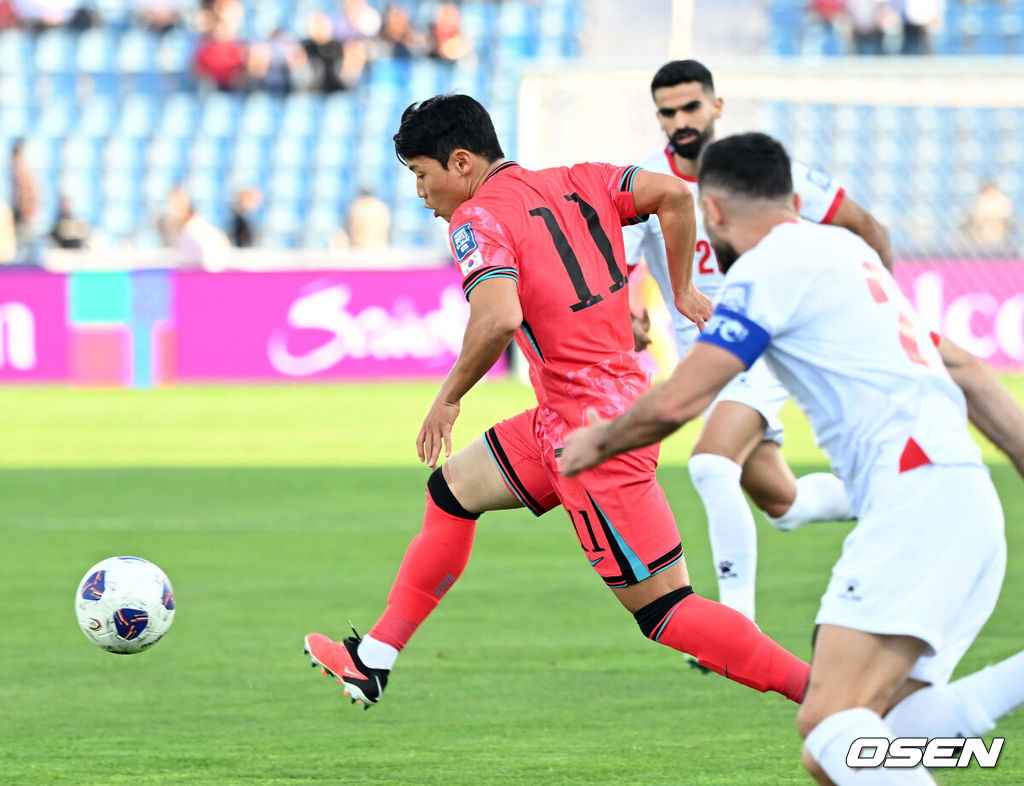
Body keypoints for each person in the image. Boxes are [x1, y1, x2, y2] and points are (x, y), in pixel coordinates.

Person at [303, 94, 812, 710]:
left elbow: (497, 318)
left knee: (667, 611)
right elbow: (676, 196)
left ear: (460, 163)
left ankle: (824, 694)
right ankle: (373, 660)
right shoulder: (580, 180)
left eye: (420, 174)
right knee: (451, 491)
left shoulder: (478, 219)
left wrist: (448, 397)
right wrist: (679, 289)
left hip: (590, 435)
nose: (420, 194)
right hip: (578, 412)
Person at [561, 132, 1024, 786]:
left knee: (830, 727)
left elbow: (681, 399)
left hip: (913, 504)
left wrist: (599, 440)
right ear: (794, 197)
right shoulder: (847, 254)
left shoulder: (764, 270)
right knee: (872, 736)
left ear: (713, 213)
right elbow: (968, 370)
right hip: (965, 506)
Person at [624, 60, 892, 621]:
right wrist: (629, 308)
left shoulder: (766, 175)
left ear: (716, 107)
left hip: (767, 340)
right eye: (668, 112)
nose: (681, 121)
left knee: (710, 465)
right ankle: (891, 496)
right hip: (705, 351)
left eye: (691, 107)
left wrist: (884, 311)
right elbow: (619, 266)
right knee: (782, 502)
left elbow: (867, 227)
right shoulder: (646, 182)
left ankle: (735, 624)